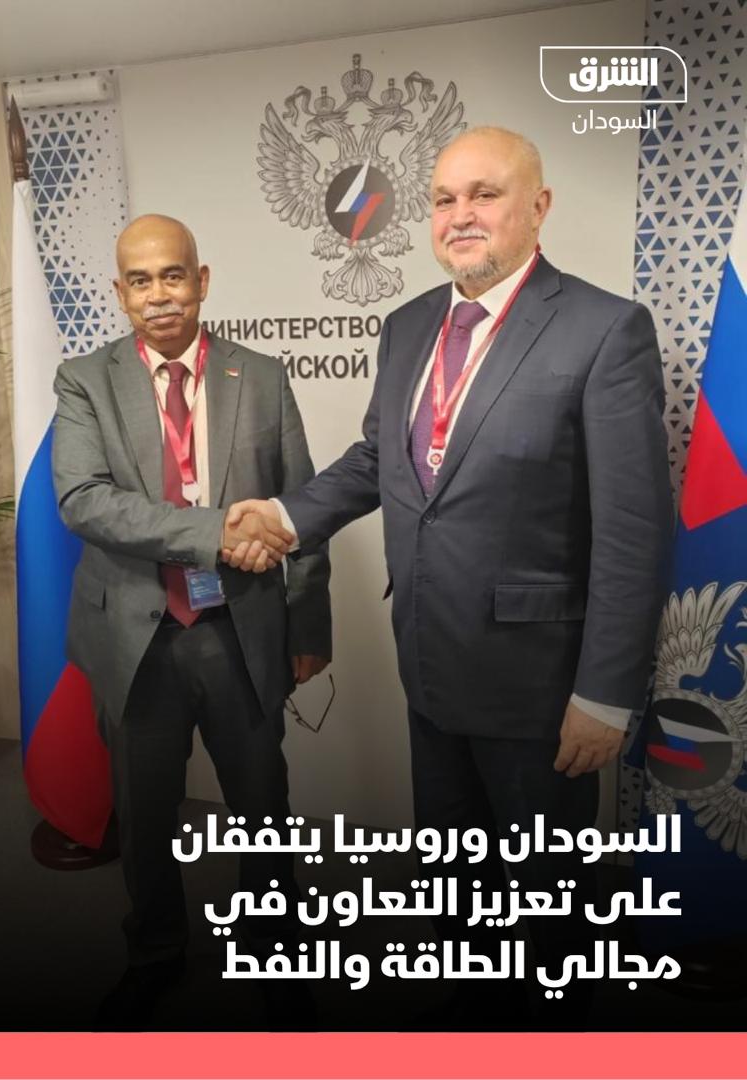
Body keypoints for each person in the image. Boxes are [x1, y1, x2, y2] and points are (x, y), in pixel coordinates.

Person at [225, 127, 672, 1027]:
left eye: (484, 194)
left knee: (550, 906)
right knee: (455, 884)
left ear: (538, 207)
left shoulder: (604, 329)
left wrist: (606, 694)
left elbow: (633, 531)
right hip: (428, 666)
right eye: (443, 199)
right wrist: (284, 517)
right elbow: (378, 459)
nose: (460, 214)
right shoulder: (408, 325)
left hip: (541, 692)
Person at [51, 214, 331, 1027]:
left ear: (201, 281)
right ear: (120, 293)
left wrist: (309, 627)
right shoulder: (85, 379)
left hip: (241, 631)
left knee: (263, 804)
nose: (158, 295)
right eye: (140, 281)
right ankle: (155, 955)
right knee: (144, 816)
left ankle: (275, 948)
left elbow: (304, 506)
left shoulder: (262, 375)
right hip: (135, 637)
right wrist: (216, 533)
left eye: (172, 275)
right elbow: (85, 500)